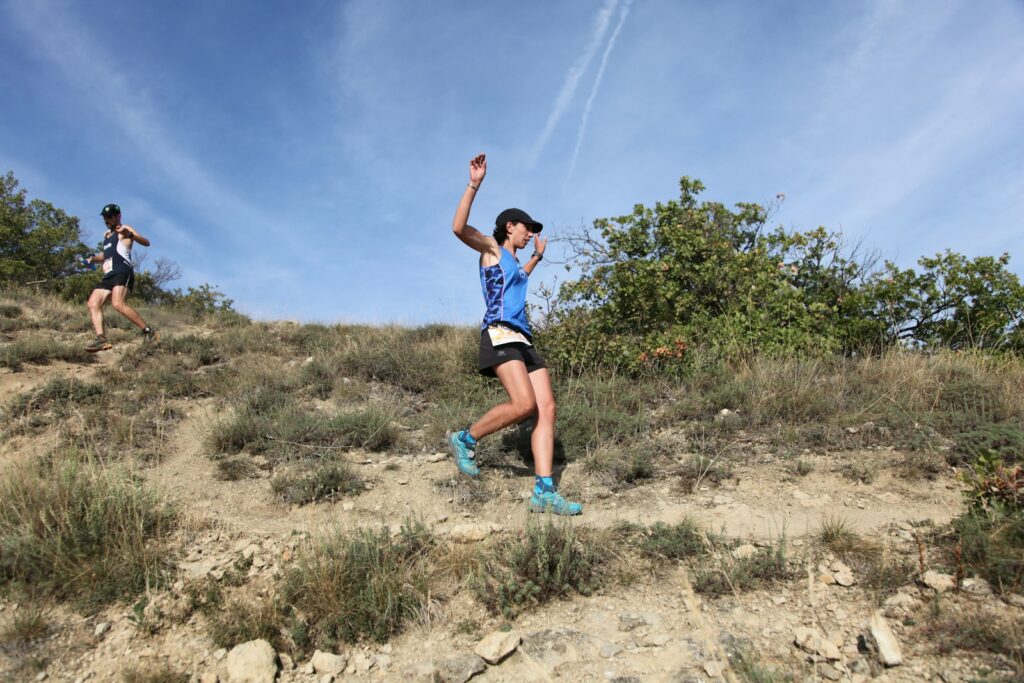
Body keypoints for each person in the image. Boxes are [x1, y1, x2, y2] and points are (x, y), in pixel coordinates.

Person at [447, 153, 582, 515]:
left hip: (523, 341)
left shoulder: (517, 264)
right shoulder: (491, 250)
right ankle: (465, 438)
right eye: (527, 228)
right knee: (524, 405)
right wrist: (474, 184)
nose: (530, 233)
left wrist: (537, 257)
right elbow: (459, 228)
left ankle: (544, 491)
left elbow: (520, 276)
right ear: (509, 226)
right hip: (499, 334)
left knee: (546, 408)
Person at [83, 204, 157, 352]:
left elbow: (146, 242)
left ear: (118, 216)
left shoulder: (125, 230)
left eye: (109, 216)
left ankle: (149, 332)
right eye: (105, 217)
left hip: (122, 271)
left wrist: (129, 233)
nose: (107, 220)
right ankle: (101, 340)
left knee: (118, 304)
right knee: (92, 303)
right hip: (108, 275)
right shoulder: (106, 236)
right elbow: (106, 255)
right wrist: (93, 259)